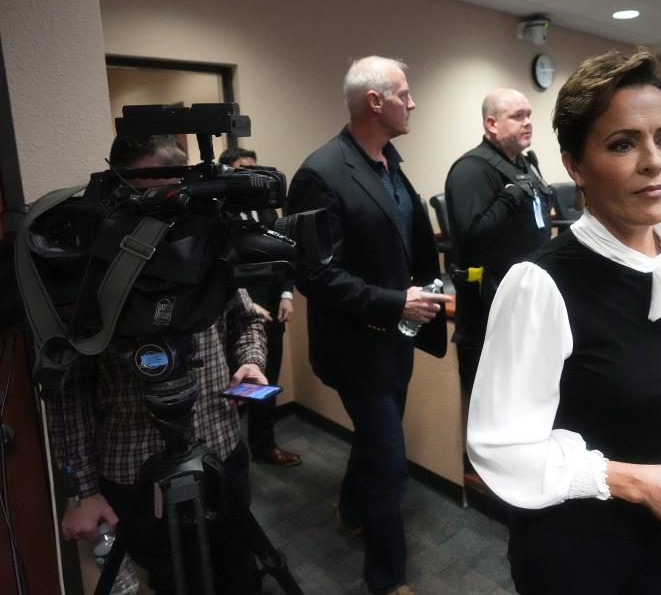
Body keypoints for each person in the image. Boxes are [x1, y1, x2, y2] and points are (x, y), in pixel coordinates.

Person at [467, 49, 661, 595]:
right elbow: (501, 446)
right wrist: (642, 483)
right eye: (623, 144)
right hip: (583, 551)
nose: (655, 161)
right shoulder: (541, 283)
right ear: (574, 165)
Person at [48, 134, 268, 594]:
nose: (171, 201)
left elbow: (247, 320)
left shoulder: (208, 245)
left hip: (221, 450)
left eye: (179, 185)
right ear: (124, 182)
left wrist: (250, 363)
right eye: (156, 187)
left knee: (239, 572)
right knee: (171, 580)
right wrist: (82, 491)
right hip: (136, 469)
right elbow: (68, 391)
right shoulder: (94, 261)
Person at [285, 56, 450, 595]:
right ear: (374, 101)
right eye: (405, 93)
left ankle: (352, 509)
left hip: (394, 342)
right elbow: (310, 273)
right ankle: (386, 579)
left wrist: (427, 290)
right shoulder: (321, 172)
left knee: (378, 443)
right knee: (390, 462)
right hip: (355, 347)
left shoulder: (389, 162)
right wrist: (391, 302)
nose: (413, 101)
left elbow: (402, 242)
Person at [443, 88, 551, 442]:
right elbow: (472, 239)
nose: (528, 123)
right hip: (489, 307)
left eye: (529, 115)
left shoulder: (525, 164)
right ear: (491, 124)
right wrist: (510, 196)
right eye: (518, 116)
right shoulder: (471, 170)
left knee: (525, 394)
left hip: (527, 299)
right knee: (491, 401)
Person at [218, 146, 302, 467]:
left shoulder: (268, 211)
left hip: (272, 312)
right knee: (236, 388)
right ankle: (227, 452)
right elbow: (221, 272)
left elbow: (283, 255)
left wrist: (286, 295)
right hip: (237, 318)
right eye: (243, 170)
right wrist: (249, 304)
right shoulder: (219, 216)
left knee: (266, 384)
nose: (252, 177)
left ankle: (264, 446)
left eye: (255, 169)